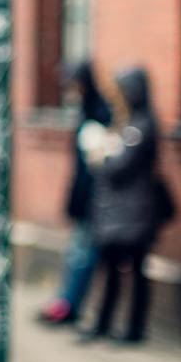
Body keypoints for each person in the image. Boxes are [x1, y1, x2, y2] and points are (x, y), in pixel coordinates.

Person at [79, 66, 167, 344]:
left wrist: (100, 155)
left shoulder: (142, 125)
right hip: (116, 212)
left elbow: (119, 166)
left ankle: (134, 329)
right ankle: (103, 324)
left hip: (135, 212)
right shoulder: (125, 122)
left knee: (137, 270)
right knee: (110, 269)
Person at [38, 60, 114, 325]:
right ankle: (67, 302)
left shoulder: (100, 113)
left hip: (94, 199)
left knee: (82, 253)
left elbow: (95, 166)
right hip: (84, 197)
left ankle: (69, 305)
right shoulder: (86, 111)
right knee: (77, 252)